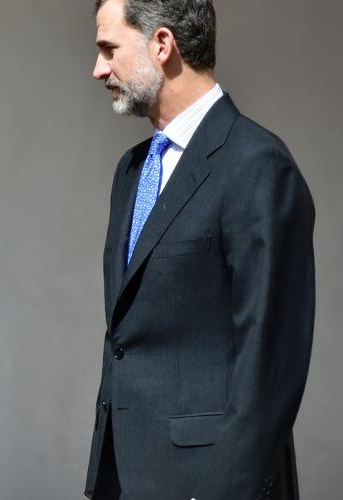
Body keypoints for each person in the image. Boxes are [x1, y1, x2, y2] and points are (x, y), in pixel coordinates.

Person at [85, 1, 315, 499]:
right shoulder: (131, 170)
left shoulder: (257, 165)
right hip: (128, 479)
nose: (98, 68)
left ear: (162, 44)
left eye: (109, 49)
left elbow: (271, 358)